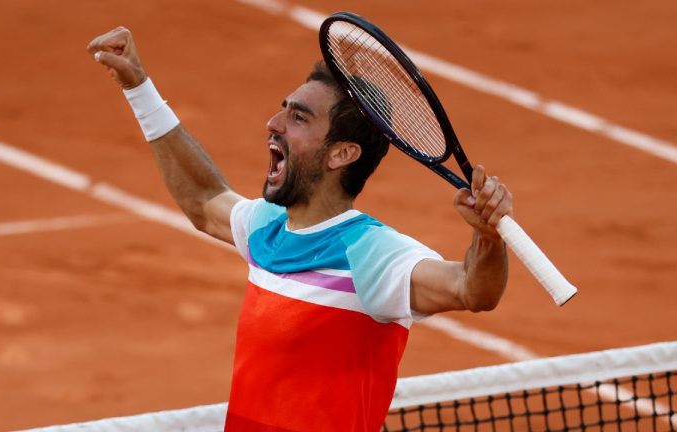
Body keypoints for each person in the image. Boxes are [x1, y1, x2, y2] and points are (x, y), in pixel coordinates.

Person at [87, 26, 513, 432]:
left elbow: (471, 289)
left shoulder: (374, 253)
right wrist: (138, 87)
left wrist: (487, 237)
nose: (274, 123)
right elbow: (203, 200)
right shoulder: (267, 229)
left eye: (299, 118)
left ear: (341, 154)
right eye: (284, 109)